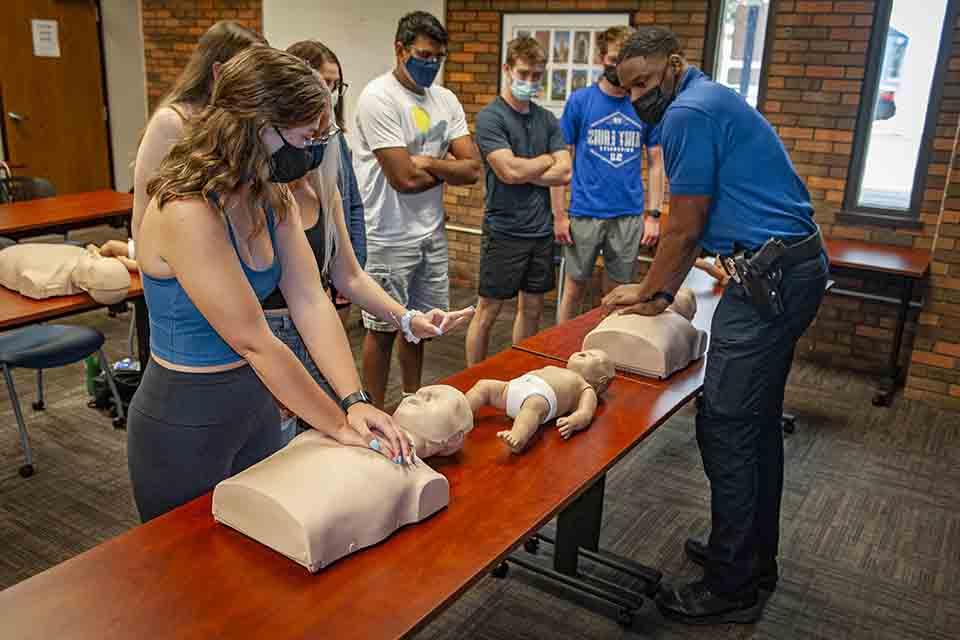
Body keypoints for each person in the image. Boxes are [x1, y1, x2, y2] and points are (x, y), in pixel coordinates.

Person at [128, 47, 418, 523]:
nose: (311, 152)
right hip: (185, 422)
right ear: (257, 125)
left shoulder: (269, 192)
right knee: (187, 585)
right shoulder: (188, 210)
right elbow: (256, 342)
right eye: (306, 138)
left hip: (256, 408)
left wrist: (354, 400)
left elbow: (310, 300)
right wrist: (340, 426)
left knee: (259, 566)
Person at [608, 27, 828, 624]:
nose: (638, 98)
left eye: (646, 83)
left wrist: (654, 293)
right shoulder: (708, 99)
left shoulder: (688, 114)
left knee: (727, 424)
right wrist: (662, 282)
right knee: (753, 423)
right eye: (627, 89)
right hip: (790, 265)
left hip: (770, 281)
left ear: (675, 66)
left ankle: (732, 583)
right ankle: (752, 556)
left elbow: (683, 223)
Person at [264, 40, 472, 444]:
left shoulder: (324, 188)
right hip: (255, 356)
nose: (319, 147)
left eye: (325, 136)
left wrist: (408, 318)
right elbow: (256, 332)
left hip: (307, 340)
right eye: (310, 135)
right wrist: (349, 405)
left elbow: (347, 277)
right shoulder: (248, 199)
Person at [354, 11, 481, 408]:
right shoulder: (378, 97)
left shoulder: (445, 99)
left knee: (423, 326)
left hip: (431, 233)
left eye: (437, 57)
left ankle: (411, 401)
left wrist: (427, 162)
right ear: (400, 49)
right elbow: (403, 180)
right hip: (387, 234)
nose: (431, 64)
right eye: (423, 55)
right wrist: (445, 168)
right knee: (384, 328)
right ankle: (373, 413)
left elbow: (473, 168)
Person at [465, 36, 571, 366]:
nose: (529, 82)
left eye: (536, 76)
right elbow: (508, 172)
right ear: (507, 69)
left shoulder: (547, 119)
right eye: (523, 74)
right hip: (505, 230)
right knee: (489, 310)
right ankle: (472, 380)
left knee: (533, 309)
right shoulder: (491, 118)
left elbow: (566, 171)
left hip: (539, 232)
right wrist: (543, 161)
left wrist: (527, 168)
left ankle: (519, 373)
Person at [553, 25, 664, 325]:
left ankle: (604, 347)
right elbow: (561, 162)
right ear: (601, 58)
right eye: (614, 58)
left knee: (618, 291)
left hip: (627, 214)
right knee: (574, 288)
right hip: (585, 211)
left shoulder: (643, 103)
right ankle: (559, 351)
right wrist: (559, 214)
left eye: (626, 59)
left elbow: (656, 162)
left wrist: (653, 215)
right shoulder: (580, 101)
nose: (620, 67)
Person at [132, 20, 265, 242]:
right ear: (218, 72)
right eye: (251, 72)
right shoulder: (172, 121)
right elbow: (144, 216)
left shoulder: (242, 122)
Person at [286, 40, 367, 328]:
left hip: (335, 267)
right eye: (325, 82)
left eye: (336, 85)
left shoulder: (336, 140)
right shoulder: (283, 158)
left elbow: (352, 202)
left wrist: (354, 264)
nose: (330, 93)